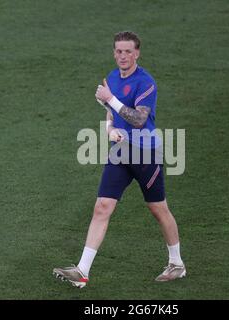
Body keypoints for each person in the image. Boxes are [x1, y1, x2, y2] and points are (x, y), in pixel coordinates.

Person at [53, 31, 185, 288]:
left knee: (158, 208)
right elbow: (111, 113)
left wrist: (109, 98)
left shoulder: (145, 82)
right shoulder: (112, 77)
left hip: (145, 153)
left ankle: (177, 263)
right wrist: (109, 129)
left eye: (128, 51)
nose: (122, 56)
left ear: (137, 53)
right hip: (121, 151)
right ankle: (82, 271)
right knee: (102, 206)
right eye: (118, 51)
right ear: (114, 53)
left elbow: (139, 119)